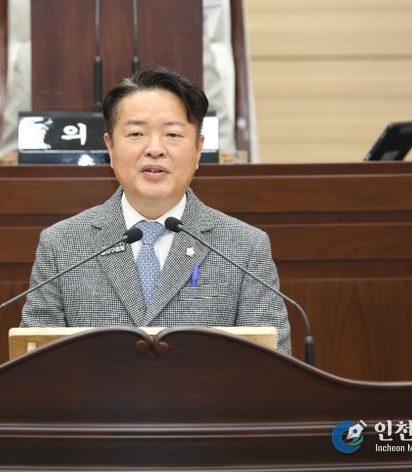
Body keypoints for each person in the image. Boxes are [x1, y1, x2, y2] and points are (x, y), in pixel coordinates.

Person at [20, 65, 291, 354]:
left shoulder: (244, 248)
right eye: (136, 134)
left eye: (172, 134)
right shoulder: (61, 245)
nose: (154, 149)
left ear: (198, 148)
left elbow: (272, 364)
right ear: (110, 147)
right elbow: (34, 362)